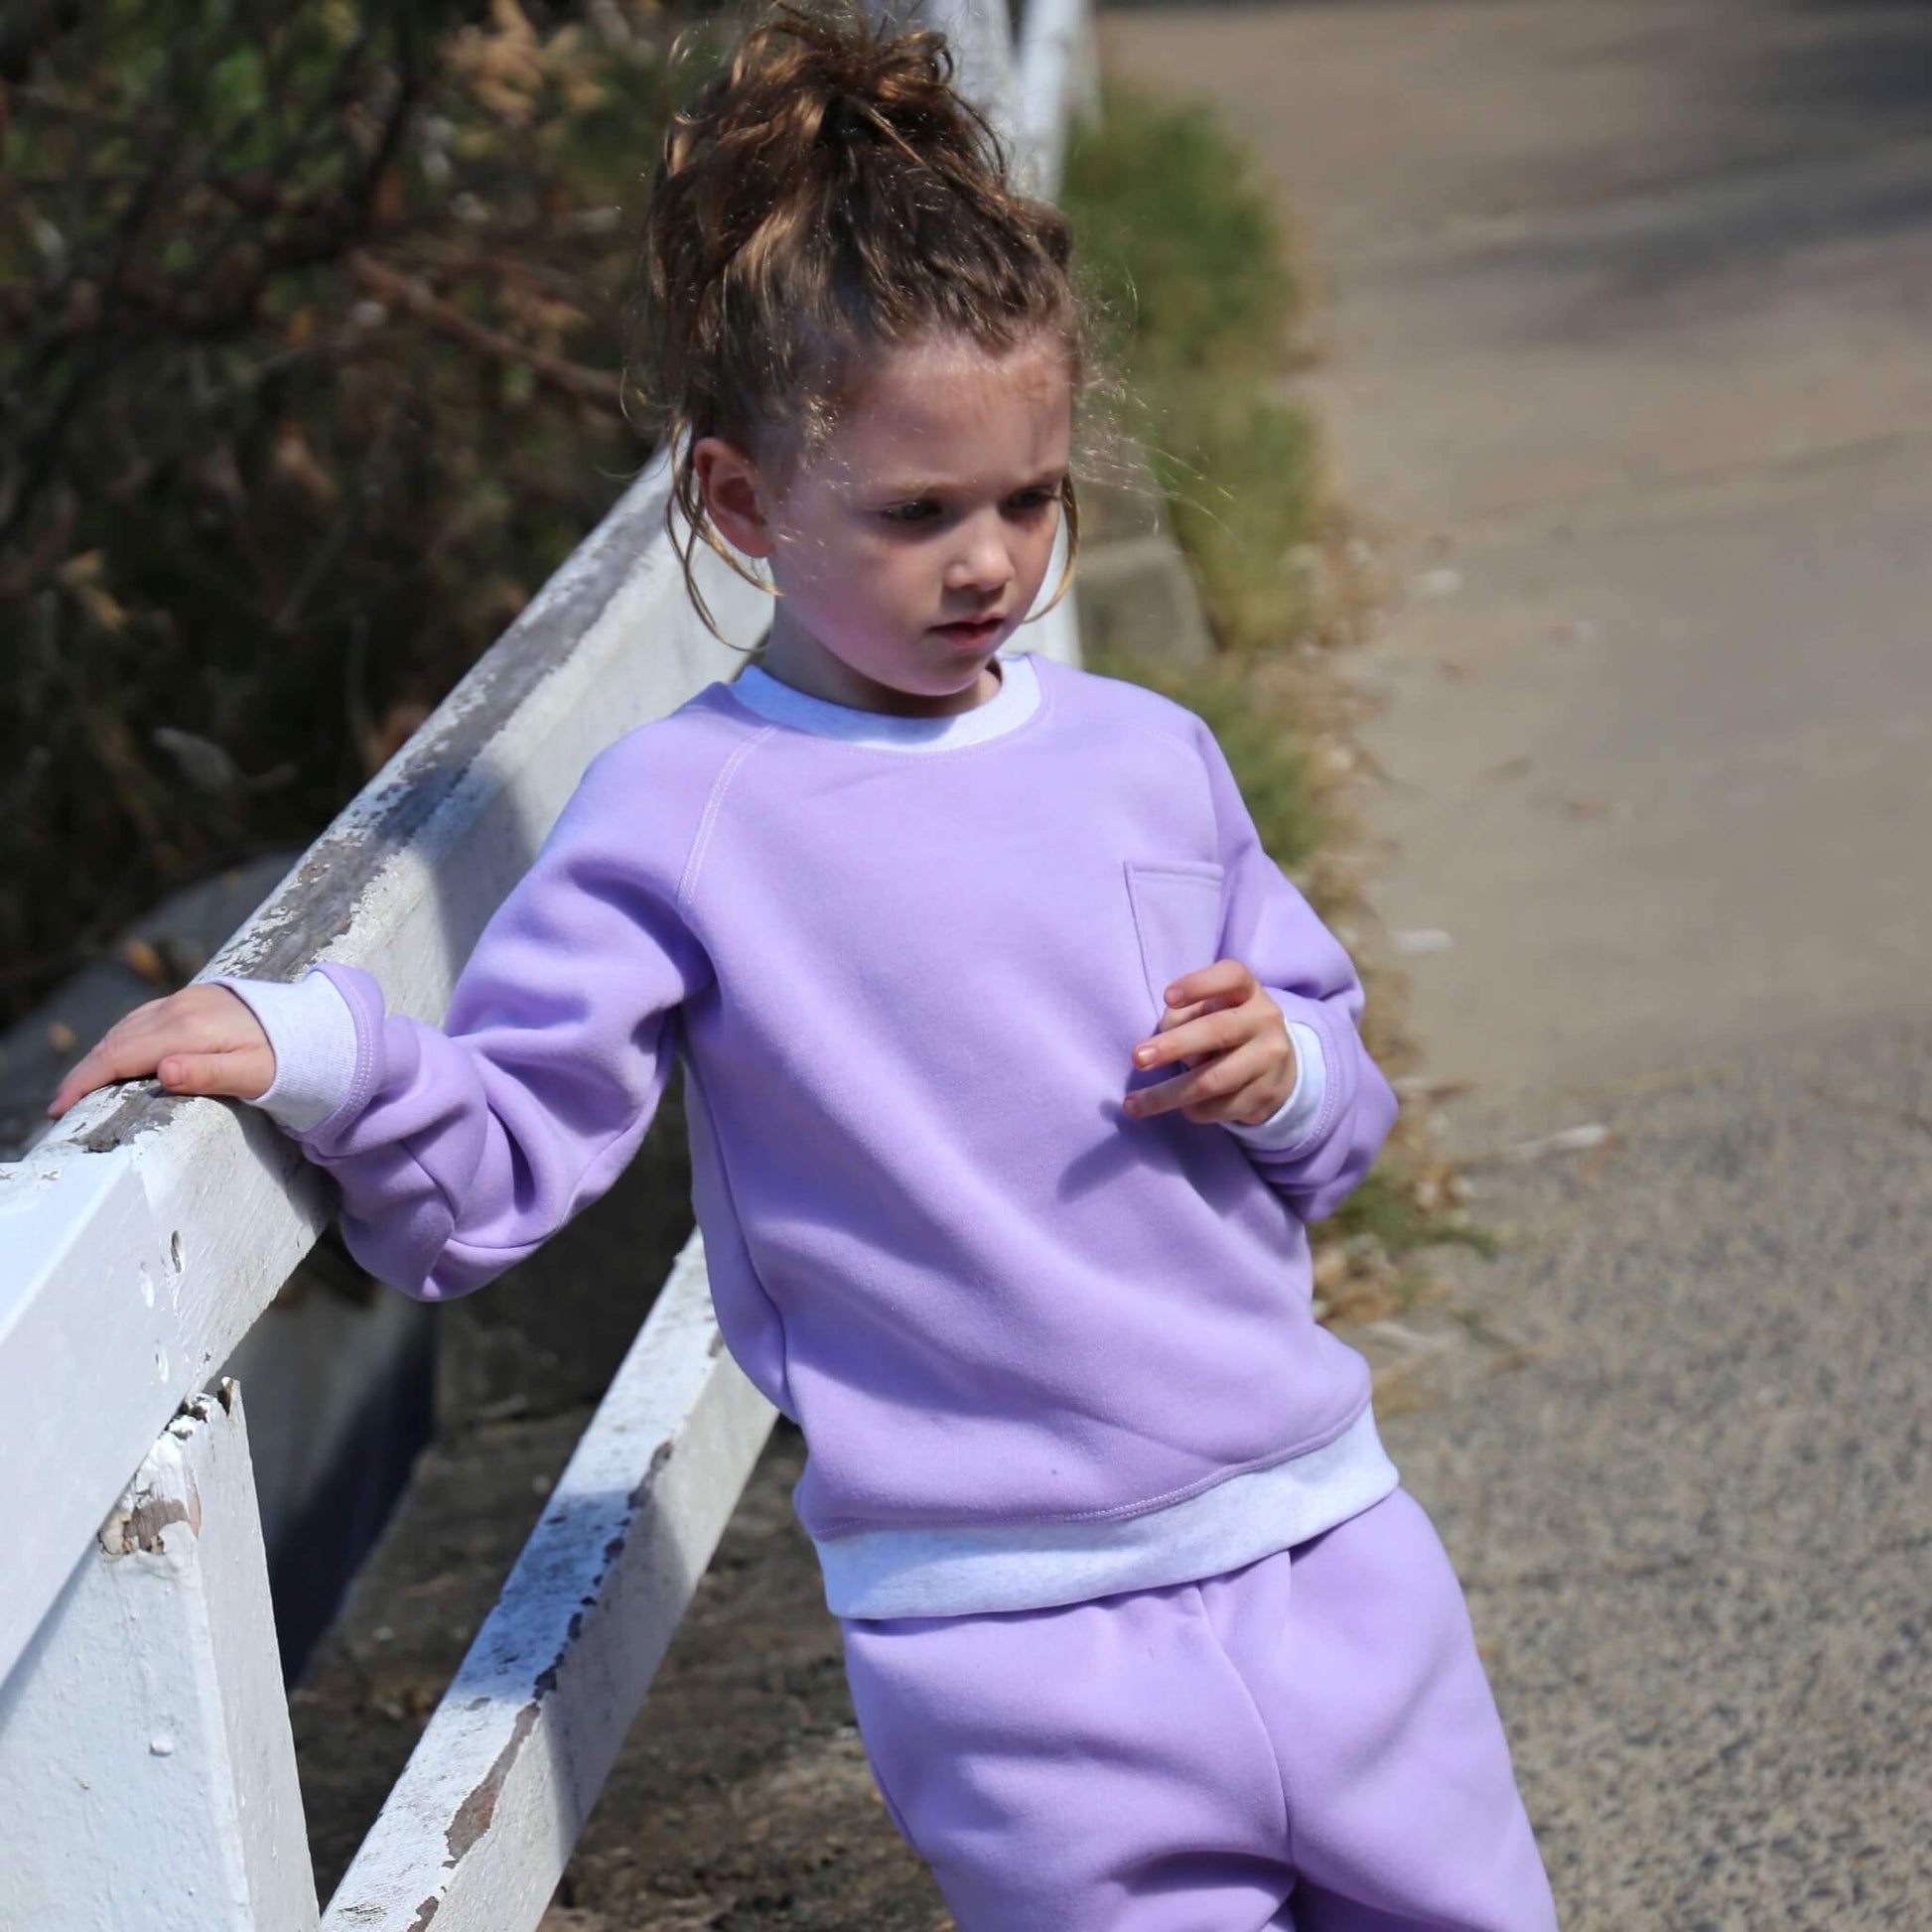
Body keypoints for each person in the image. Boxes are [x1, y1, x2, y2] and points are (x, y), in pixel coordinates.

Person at [45, 3, 1559, 1924]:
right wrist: (321, 1048)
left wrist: (1293, 1069)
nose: (991, 563)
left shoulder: (1143, 758)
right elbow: (503, 1156)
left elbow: (1337, 1117)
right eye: (916, 513)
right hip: (1004, 1646)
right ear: (744, 503)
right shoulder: (685, 811)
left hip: (1328, 1545)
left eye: (1029, 499)